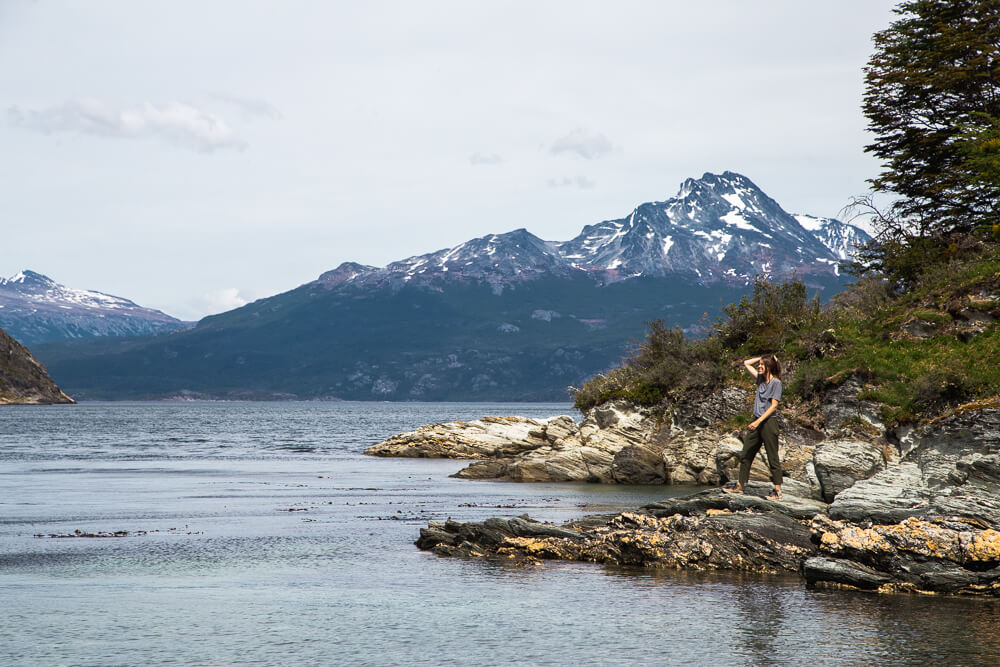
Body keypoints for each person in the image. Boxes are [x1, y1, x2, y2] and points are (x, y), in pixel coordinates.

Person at [726, 354, 783, 500]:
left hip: (768, 422)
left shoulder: (776, 383)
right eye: (759, 365)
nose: (758, 366)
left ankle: (777, 492)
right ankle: (740, 486)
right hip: (756, 420)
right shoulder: (760, 380)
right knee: (745, 454)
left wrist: (758, 422)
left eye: (762, 365)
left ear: (768, 367)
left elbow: (774, 406)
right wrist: (762, 358)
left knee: (772, 457)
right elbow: (746, 362)